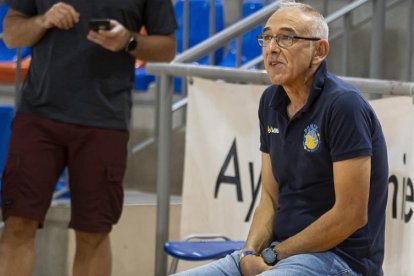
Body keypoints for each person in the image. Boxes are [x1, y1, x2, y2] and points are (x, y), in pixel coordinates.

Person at [173, 2, 388, 276]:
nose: (271, 48)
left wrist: (276, 254)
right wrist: (249, 254)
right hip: (280, 253)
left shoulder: (344, 105)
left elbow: (351, 214)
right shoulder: (271, 101)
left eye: (286, 38)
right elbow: (270, 199)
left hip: (339, 259)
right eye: (266, 37)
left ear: (319, 51)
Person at [0, 0, 177, 275]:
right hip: (39, 116)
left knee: (93, 233)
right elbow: (11, 34)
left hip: (105, 122)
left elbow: (167, 49)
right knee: (18, 222)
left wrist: (128, 41)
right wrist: (43, 21)